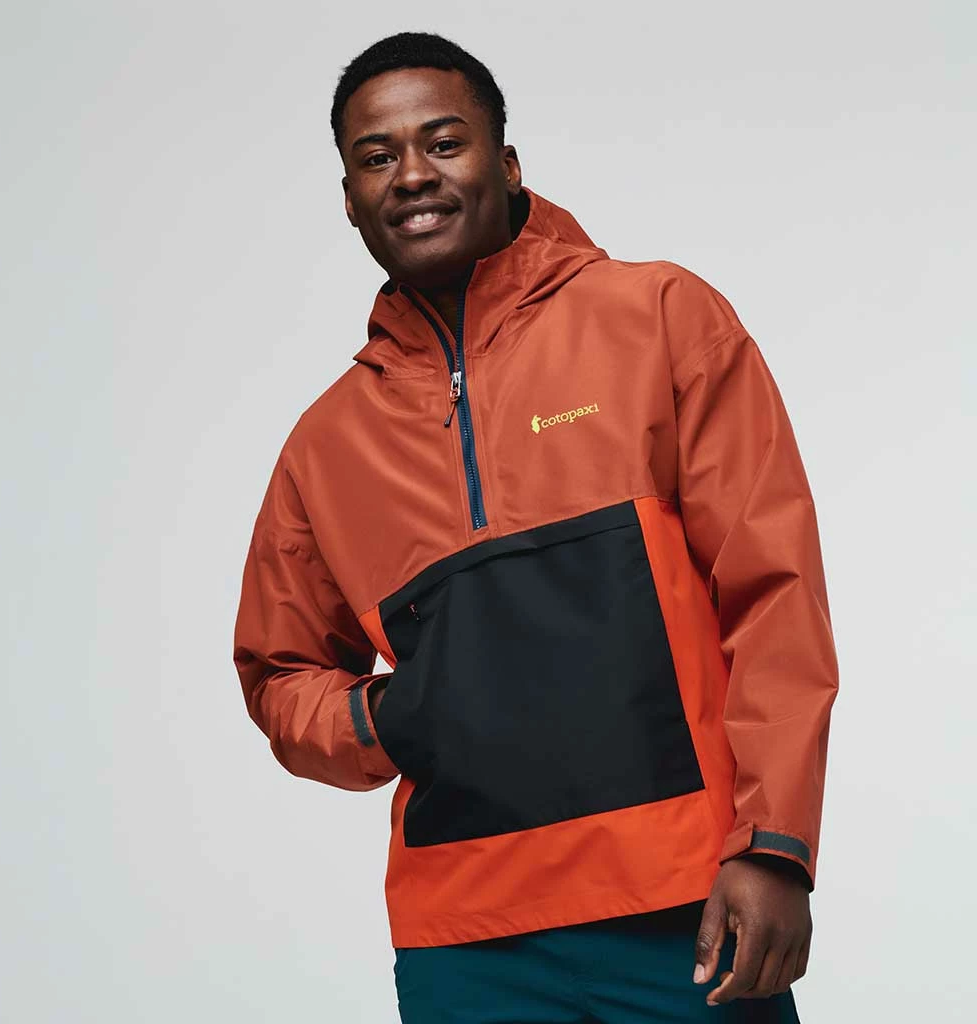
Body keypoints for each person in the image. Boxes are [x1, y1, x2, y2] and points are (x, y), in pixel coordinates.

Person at [232, 30, 839, 1024]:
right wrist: (386, 718)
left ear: (506, 163)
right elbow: (279, 673)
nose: (411, 175)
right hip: (464, 944)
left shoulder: (659, 317)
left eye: (443, 142)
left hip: (683, 909)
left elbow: (772, 593)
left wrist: (775, 848)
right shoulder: (325, 444)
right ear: (348, 198)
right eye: (377, 157)